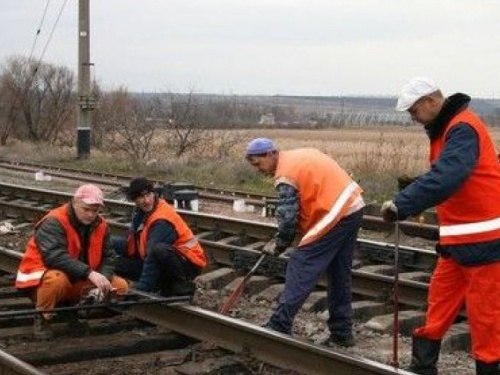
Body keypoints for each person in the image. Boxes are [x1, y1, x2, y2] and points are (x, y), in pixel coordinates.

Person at [381, 77, 500, 375]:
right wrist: (407, 194)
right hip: (456, 244)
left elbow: (448, 176)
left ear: (432, 102)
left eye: (414, 110)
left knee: (486, 318)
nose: (412, 118)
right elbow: (443, 175)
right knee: (438, 307)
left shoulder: (462, 127)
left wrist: (403, 204)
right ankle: (422, 367)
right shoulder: (445, 130)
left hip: (486, 241)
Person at [245, 138, 365, 347]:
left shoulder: (286, 174)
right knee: (338, 272)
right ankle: (342, 333)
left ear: (271, 154)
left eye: (258, 164)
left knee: (301, 262)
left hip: (336, 210)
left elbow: (288, 218)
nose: (258, 170)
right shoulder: (295, 157)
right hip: (352, 205)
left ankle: (279, 324)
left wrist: (279, 243)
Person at [15, 184, 129, 340]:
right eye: (86, 209)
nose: (90, 215)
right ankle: (42, 317)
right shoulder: (54, 221)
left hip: (77, 276)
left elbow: (109, 256)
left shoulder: (101, 225)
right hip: (40, 279)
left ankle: (70, 308)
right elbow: (54, 256)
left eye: (95, 211)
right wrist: (90, 274)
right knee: (56, 280)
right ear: (74, 203)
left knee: (120, 286)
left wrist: (104, 278)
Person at [112, 177, 206, 298]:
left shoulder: (162, 220)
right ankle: (158, 284)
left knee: (158, 250)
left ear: (153, 193)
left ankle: (173, 285)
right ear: (134, 200)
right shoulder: (141, 213)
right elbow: (133, 244)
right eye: (141, 197)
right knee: (114, 261)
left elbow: (152, 255)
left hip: (187, 265)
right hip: (165, 261)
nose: (146, 200)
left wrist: (141, 291)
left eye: (148, 195)